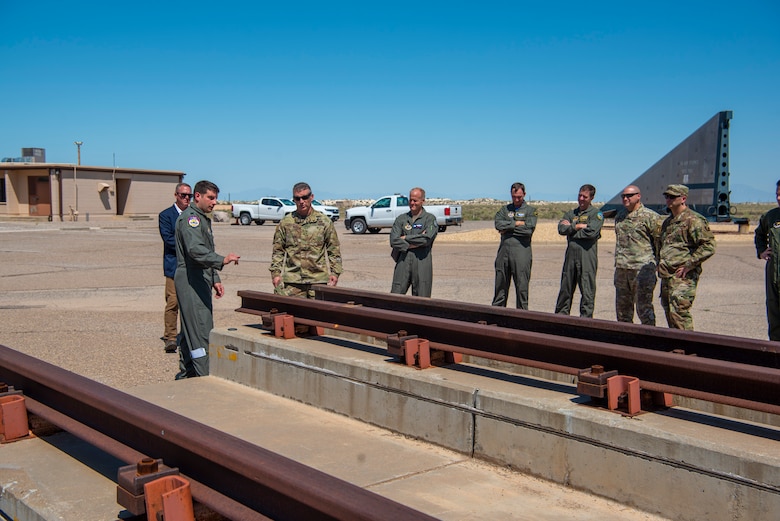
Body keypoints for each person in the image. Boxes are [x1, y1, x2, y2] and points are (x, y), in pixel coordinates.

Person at [175, 180, 240, 378]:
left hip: (200, 276)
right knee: (201, 331)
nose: (214, 203)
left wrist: (214, 278)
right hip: (191, 278)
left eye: (215, 198)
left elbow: (205, 250)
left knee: (190, 331)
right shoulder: (191, 219)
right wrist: (222, 260)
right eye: (210, 198)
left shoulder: (202, 218)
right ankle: (204, 377)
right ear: (198, 196)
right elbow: (196, 250)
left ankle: (187, 375)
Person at [656, 184, 716, 330]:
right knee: (669, 309)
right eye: (666, 196)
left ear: (683, 198)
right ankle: (676, 344)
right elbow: (663, 244)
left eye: (672, 197)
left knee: (679, 311)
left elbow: (708, 246)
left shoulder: (693, 220)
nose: (668, 200)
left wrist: (689, 264)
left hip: (683, 275)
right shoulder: (668, 222)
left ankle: (687, 345)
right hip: (667, 273)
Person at [270, 182, 342, 298]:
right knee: (291, 314)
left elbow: (333, 249)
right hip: (293, 282)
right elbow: (278, 251)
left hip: (317, 280)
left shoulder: (324, 222)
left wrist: (335, 273)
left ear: (311, 197)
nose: (301, 201)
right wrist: (276, 274)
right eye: (297, 198)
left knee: (319, 314)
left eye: (305, 197)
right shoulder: (286, 223)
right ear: (294, 199)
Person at [613, 185, 661, 325]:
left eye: (629, 196)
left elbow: (659, 242)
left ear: (638, 196)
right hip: (622, 269)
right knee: (622, 311)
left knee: (644, 308)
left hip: (642, 269)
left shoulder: (650, 217)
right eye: (623, 196)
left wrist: (657, 264)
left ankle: (649, 340)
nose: (625, 199)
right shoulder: (620, 216)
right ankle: (627, 342)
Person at [554, 184, 603, 317]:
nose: (581, 199)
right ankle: (561, 319)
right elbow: (561, 229)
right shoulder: (571, 213)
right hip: (571, 256)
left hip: (586, 257)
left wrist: (571, 230)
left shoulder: (596, 214)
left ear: (591, 198)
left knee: (587, 289)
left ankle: (586, 320)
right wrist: (578, 226)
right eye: (579, 195)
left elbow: (592, 232)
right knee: (566, 288)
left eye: (585, 197)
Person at [158, 182, 192, 353]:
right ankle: (170, 337)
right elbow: (168, 240)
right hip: (174, 267)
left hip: (192, 267)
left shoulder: (194, 216)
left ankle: (189, 335)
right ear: (176, 195)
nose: (186, 199)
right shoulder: (166, 216)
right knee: (173, 302)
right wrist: (190, 248)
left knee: (190, 303)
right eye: (183, 195)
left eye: (189, 196)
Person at [492, 182, 537, 309]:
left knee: (522, 288)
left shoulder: (531, 211)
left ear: (524, 194)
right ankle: (497, 317)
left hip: (521, 254)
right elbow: (498, 225)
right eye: (514, 196)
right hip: (504, 253)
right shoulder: (504, 210)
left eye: (519, 197)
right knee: (500, 287)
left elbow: (528, 230)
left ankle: (522, 319)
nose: (516, 199)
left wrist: (507, 227)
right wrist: (516, 224)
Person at [390, 187, 438, 297]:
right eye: (410, 200)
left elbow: (426, 239)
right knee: (395, 297)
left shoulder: (429, 219)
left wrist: (405, 238)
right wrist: (415, 242)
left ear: (422, 201)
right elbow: (393, 240)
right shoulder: (401, 219)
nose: (412, 203)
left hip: (422, 262)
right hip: (403, 261)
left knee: (422, 300)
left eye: (415, 200)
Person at [754, 180, 780, 340]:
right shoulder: (771, 217)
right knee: (775, 315)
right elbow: (759, 234)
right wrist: (762, 251)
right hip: (774, 276)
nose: (779, 197)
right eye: (777, 194)